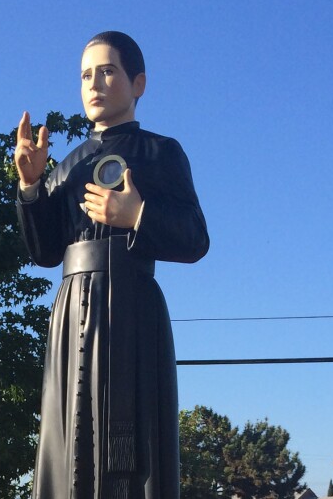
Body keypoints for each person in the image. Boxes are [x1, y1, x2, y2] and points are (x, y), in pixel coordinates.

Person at [15, 31, 209, 499]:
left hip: (132, 308)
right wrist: (30, 185)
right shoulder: (66, 166)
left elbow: (196, 239)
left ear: (137, 83)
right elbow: (43, 252)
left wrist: (137, 216)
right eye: (86, 75)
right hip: (72, 314)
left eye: (108, 71)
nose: (95, 83)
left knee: (131, 443)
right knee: (69, 443)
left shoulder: (162, 153)